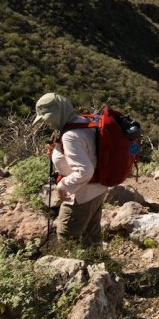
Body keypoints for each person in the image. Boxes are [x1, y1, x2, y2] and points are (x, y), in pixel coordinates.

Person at [34, 92, 109, 247]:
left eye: (47, 118)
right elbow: (90, 152)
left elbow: (85, 171)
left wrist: (62, 186)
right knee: (91, 237)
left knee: (66, 236)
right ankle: (101, 267)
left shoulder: (70, 135)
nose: (47, 123)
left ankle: (75, 270)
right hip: (98, 190)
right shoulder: (84, 121)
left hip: (80, 195)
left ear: (58, 112)